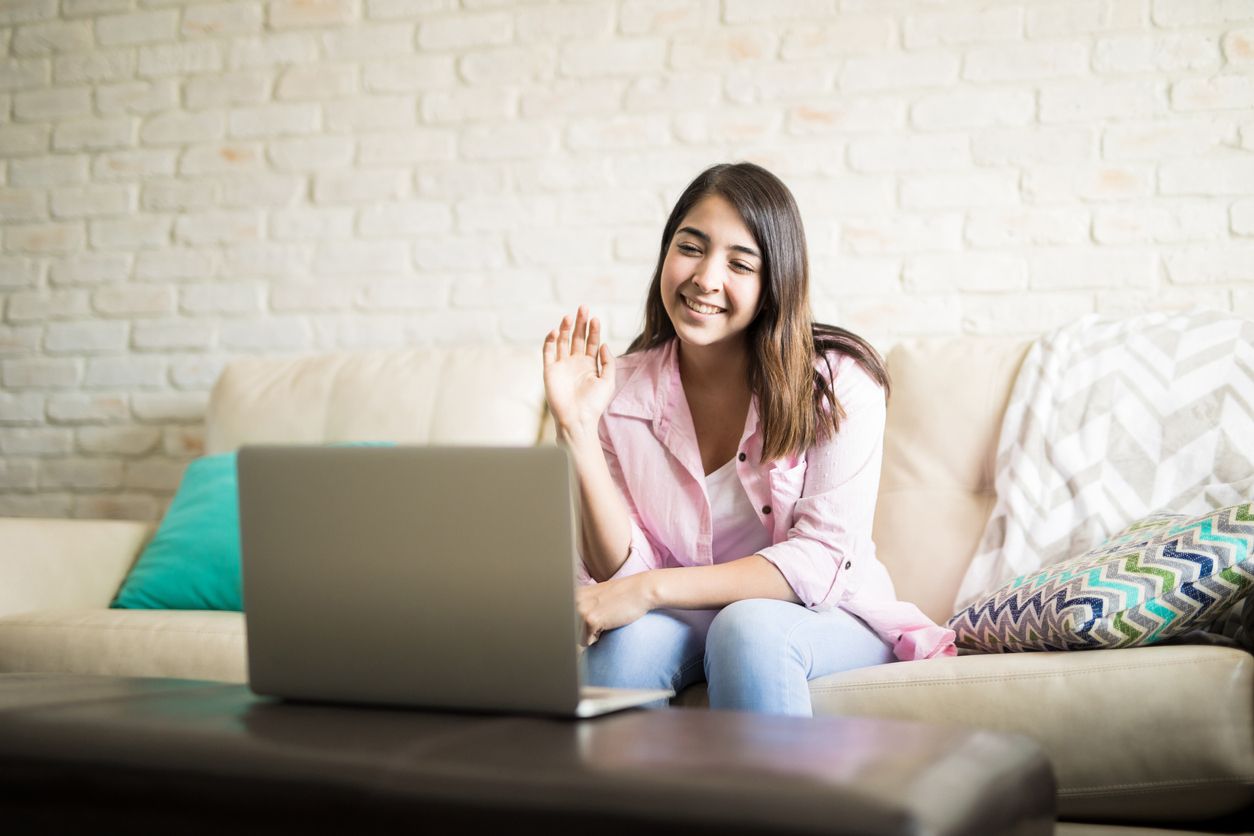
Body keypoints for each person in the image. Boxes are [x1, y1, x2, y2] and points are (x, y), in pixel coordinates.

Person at [541, 162, 955, 717]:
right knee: (626, 646)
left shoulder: (836, 382)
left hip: (823, 614)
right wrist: (577, 430)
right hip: (687, 619)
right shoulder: (618, 388)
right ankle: (626, 805)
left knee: (749, 626)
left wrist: (653, 590)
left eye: (739, 263)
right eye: (691, 247)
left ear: (773, 284)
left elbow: (821, 557)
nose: (707, 279)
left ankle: (770, 807)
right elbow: (620, 576)